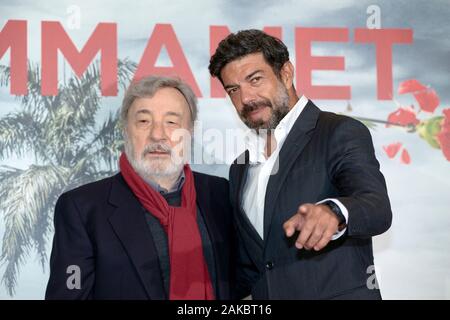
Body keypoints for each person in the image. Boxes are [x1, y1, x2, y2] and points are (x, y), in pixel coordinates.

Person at [209, 29, 392, 299]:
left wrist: (335, 212)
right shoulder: (240, 168)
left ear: (286, 73)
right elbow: (253, 268)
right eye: (233, 89)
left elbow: (376, 205)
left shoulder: (338, 132)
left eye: (255, 79)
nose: (245, 98)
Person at [45, 76, 235, 300]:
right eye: (144, 121)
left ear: (190, 131)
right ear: (125, 130)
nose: (157, 134)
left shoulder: (220, 194)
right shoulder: (83, 208)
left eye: (172, 122)